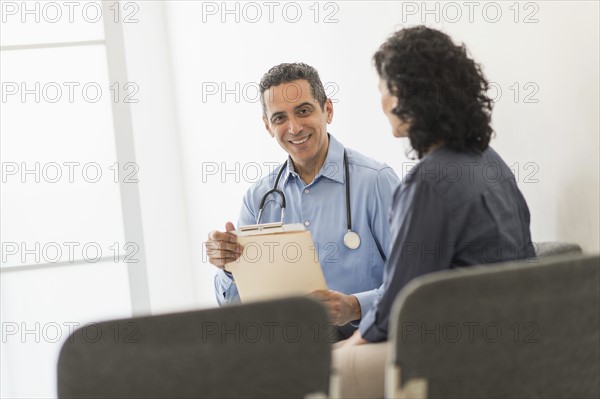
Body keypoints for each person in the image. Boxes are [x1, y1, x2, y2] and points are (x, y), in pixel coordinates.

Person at [333, 26, 536, 397]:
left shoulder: (430, 182)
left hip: (451, 359)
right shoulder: (491, 162)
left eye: (385, 87)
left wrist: (344, 350)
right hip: (511, 350)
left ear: (411, 95)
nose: (381, 100)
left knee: (302, 374)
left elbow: (398, 307)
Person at [205, 63, 400, 333]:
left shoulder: (376, 181)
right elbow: (237, 309)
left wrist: (355, 307)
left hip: (362, 343)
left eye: (303, 111)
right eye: (279, 118)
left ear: (327, 110)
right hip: (288, 353)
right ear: (267, 126)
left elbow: (413, 283)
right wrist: (227, 268)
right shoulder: (259, 199)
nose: (294, 127)